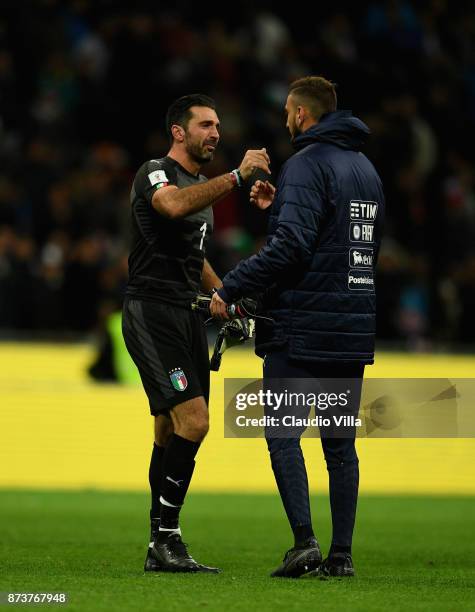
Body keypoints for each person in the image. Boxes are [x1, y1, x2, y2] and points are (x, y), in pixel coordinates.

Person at [211, 77, 385, 577]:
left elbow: (292, 250)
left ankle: (305, 542)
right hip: (351, 327)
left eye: (288, 111)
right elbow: (347, 245)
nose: (286, 119)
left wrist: (231, 288)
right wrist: (279, 208)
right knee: (340, 444)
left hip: (301, 326)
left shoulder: (305, 164)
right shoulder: (366, 169)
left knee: (284, 435)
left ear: (302, 115)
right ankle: (343, 556)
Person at [122, 93, 270, 573]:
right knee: (196, 421)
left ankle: (157, 544)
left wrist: (223, 295)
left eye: (219, 125)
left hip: (188, 316)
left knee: (169, 429)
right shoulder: (155, 172)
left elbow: (194, 258)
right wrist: (236, 178)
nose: (216, 133)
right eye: (206, 124)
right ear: (178, 132)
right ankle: (167, 538)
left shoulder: (200, 185)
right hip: (152, 311)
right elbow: (168, 207)